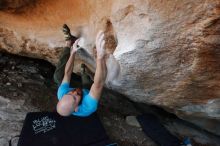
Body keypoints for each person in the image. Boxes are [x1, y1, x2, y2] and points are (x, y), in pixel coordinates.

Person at [53, 24, 107, 117]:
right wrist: (100, 57)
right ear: (76, 108)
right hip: (87, 91)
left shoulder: (62, 93)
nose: (74, 92)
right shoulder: (88, 107)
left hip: (78, 91)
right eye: (74, 98)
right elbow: (98, 85)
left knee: (57, 77)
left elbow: (67, 73)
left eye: (69, 93)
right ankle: (84, 74)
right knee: (88, 85)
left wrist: (73, 52)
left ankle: (69, 43)